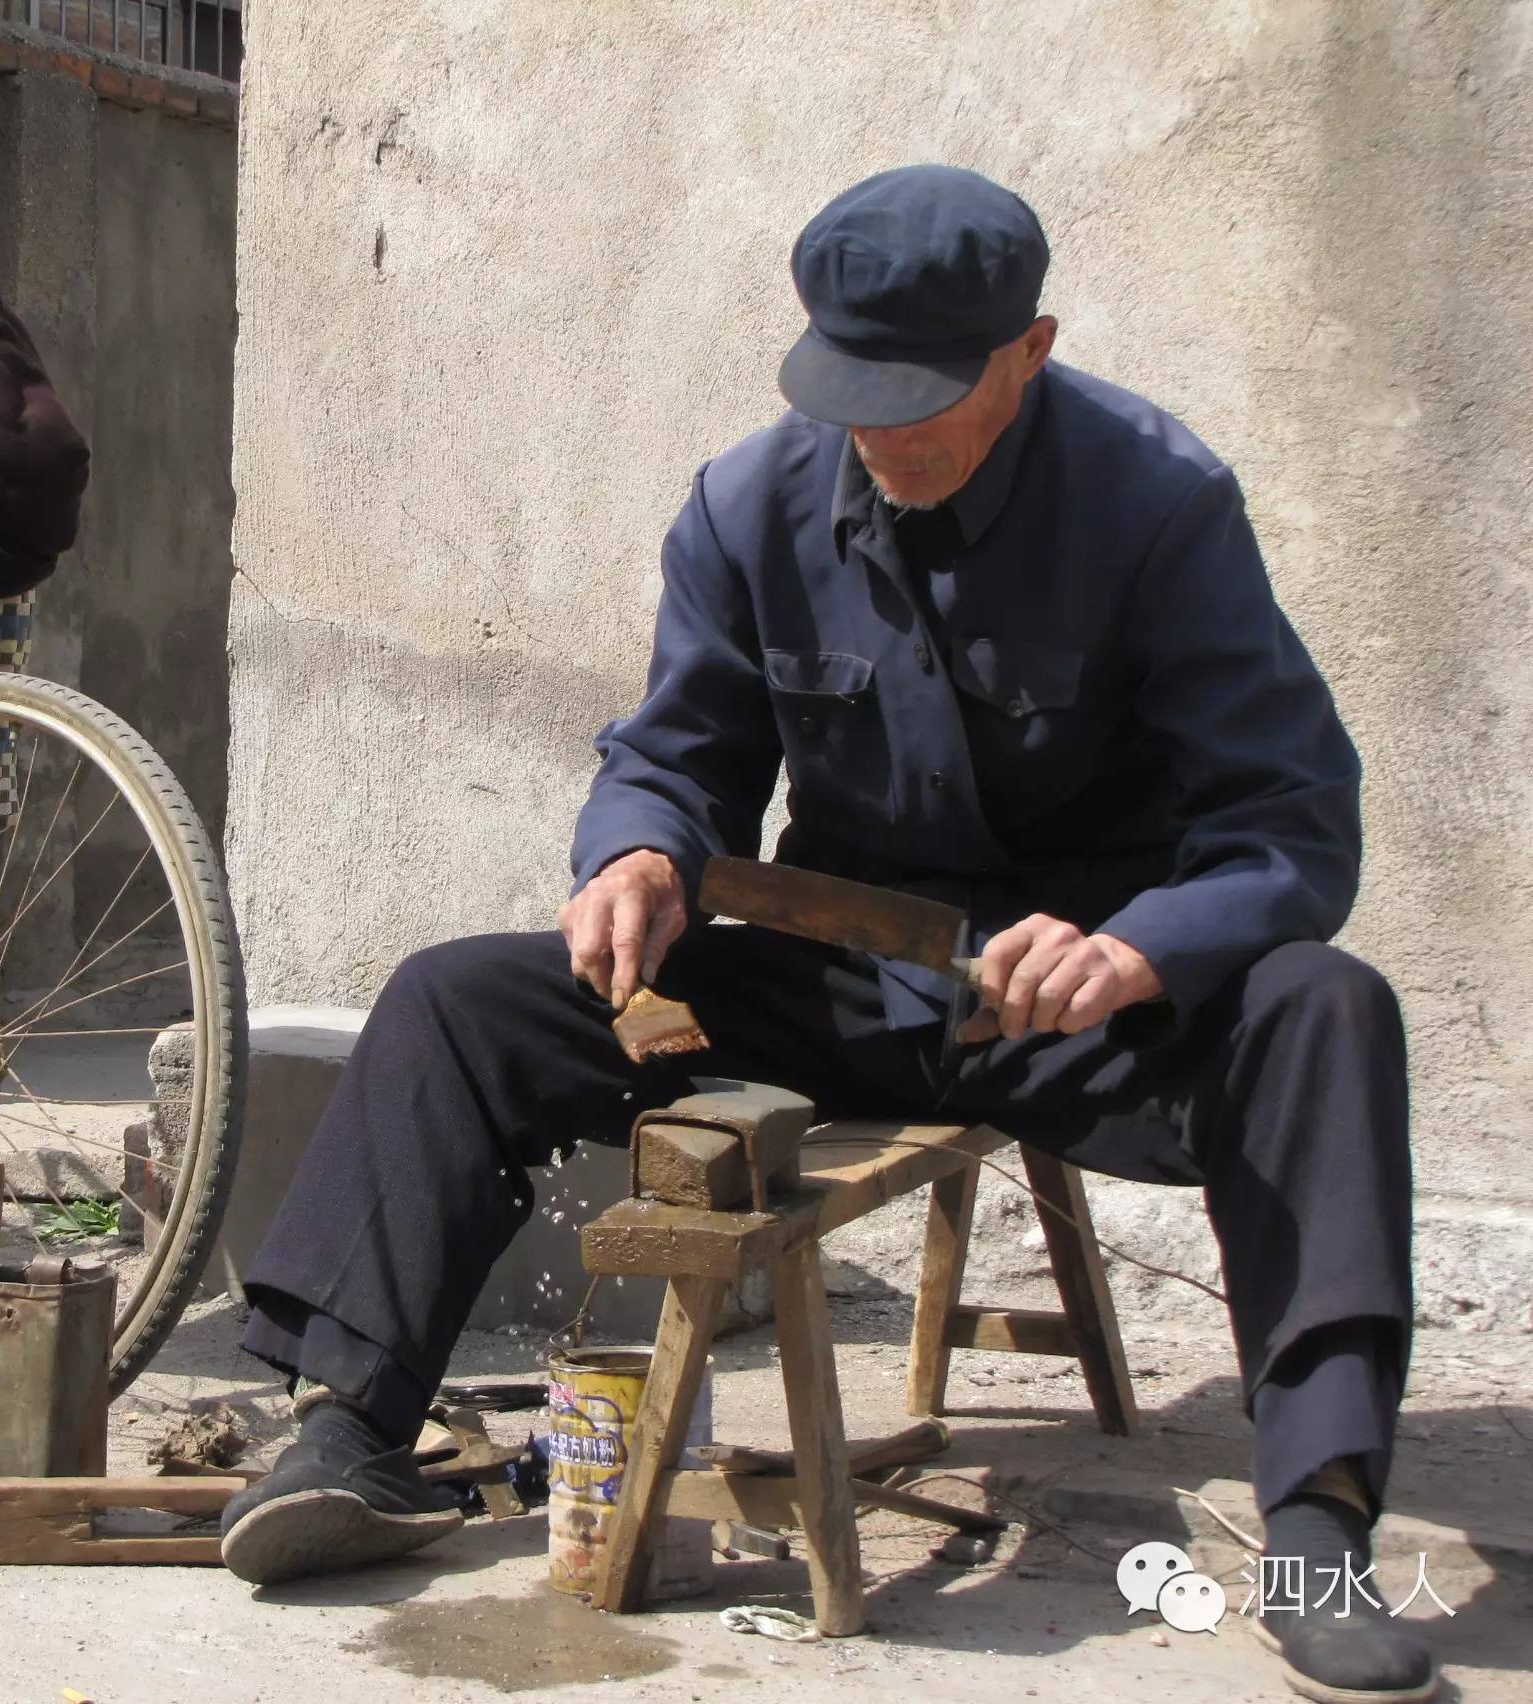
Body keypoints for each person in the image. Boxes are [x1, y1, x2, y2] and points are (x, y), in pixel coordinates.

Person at [218, 164, 1432, 1704]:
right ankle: (349, 1430)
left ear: (1033, 351)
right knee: (460, 1001)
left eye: (926, 396)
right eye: (854, 393)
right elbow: (675, 752)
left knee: (1328, 1006)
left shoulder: (1159, 504)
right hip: (842, 985)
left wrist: (1144, 947)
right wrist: (642, 851)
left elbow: (1294, 823)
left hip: (1085, 1009)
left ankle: (1319, 1526)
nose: (886, 433)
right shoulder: (747, 505)